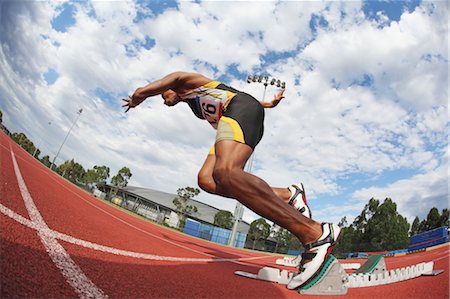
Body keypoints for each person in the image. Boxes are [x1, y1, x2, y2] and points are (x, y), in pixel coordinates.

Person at [122, 71, 342, 290]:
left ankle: (315, 233)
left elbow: (170, 82)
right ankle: (288, 194)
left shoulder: (185, 81)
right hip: (237, 116)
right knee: (207, 179)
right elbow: (242, 98)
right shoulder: (192, 101)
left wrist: (138, 96)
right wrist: (267, 104)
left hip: (238, 112)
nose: (165, 100)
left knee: (226, 172)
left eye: (164, 95)